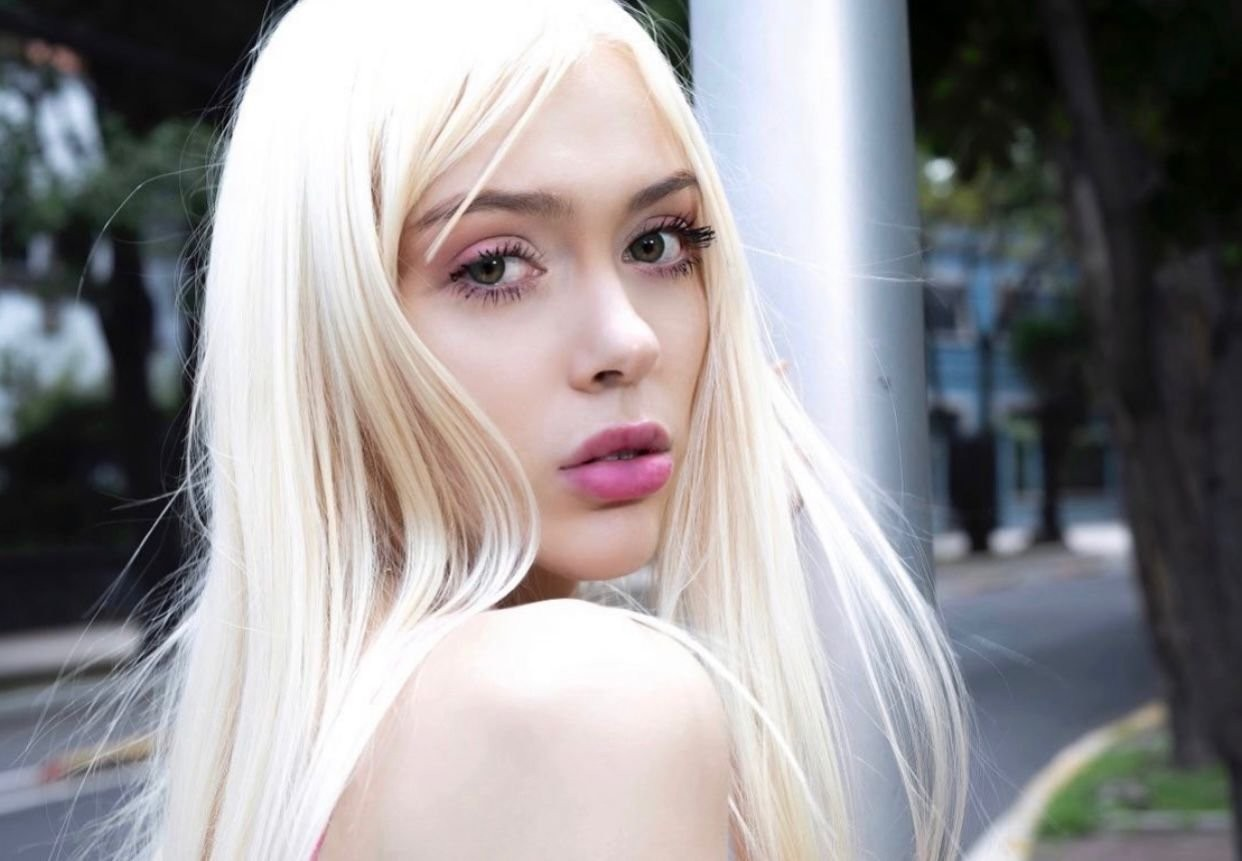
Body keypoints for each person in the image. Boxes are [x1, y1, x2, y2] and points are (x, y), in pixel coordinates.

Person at [79, 0, 970, 858]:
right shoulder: (574, 701)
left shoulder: (320, 751)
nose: (628, 340)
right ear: (328, 334)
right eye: (494, 265)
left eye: (657, 243)